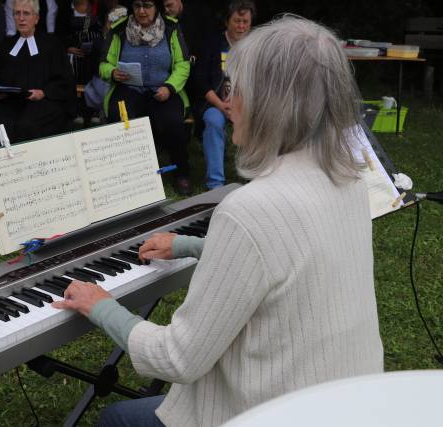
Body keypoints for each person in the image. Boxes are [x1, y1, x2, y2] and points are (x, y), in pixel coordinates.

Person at [53, 15, 384, 427]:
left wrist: (101, 306)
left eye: (235, 88)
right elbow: (285, 261)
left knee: (117, 419)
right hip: (348, 400)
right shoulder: (350, 180)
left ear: (269, 103)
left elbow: (176, 359)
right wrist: (186, 245)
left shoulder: (251, 209)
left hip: (271, 412)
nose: (228, 101)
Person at [99, 0, 192, 195]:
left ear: (156, 6)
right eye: (137, 5)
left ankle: (181, 173)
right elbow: (103, 64)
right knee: (121, 119)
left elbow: (183, 65)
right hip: (129, 89)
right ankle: (128, 176)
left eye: (147, 5)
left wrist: (169, 87)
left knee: (173, 121)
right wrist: (112, 72)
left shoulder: (170, 28)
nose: (142, 11)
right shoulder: (120, 29)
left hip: (164, 89)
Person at [0, 0, 75, 150]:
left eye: (26, 13)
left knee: (27, 124)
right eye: (17, 13)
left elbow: (64, 81)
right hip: (9, 102)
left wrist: (43, 93)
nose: (21, 18)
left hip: (43, 103)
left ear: (36, 18)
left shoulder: (52, 45)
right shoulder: (5, 46)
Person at [195, 0, 254, 189]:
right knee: (213, 121)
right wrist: (221, 105)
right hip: (216, 104)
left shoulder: (256, 47)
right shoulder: (213, 44)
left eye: (245, 22)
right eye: (237, 21)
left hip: (247, 104)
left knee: (259, 120)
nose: (241, 26)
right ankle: (215, 184)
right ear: (227, 21)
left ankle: (252, 177)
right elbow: (200, 80)